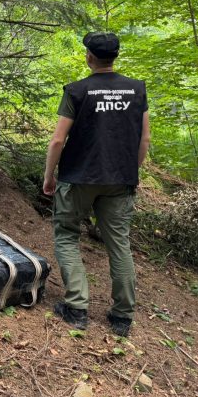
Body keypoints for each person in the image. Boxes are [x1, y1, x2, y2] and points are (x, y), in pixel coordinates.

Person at [43, 32, 150, 337]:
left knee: (67, 236)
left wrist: (49, 175)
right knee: (119, 244)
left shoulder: (77, 91)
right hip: (120, 179)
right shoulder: (136, 89)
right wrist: (130, 171)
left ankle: (77, 308)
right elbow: (145, 138)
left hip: (78, 177)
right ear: (115, 56)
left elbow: (58, 140)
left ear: (89, 56)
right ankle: (122, 317)